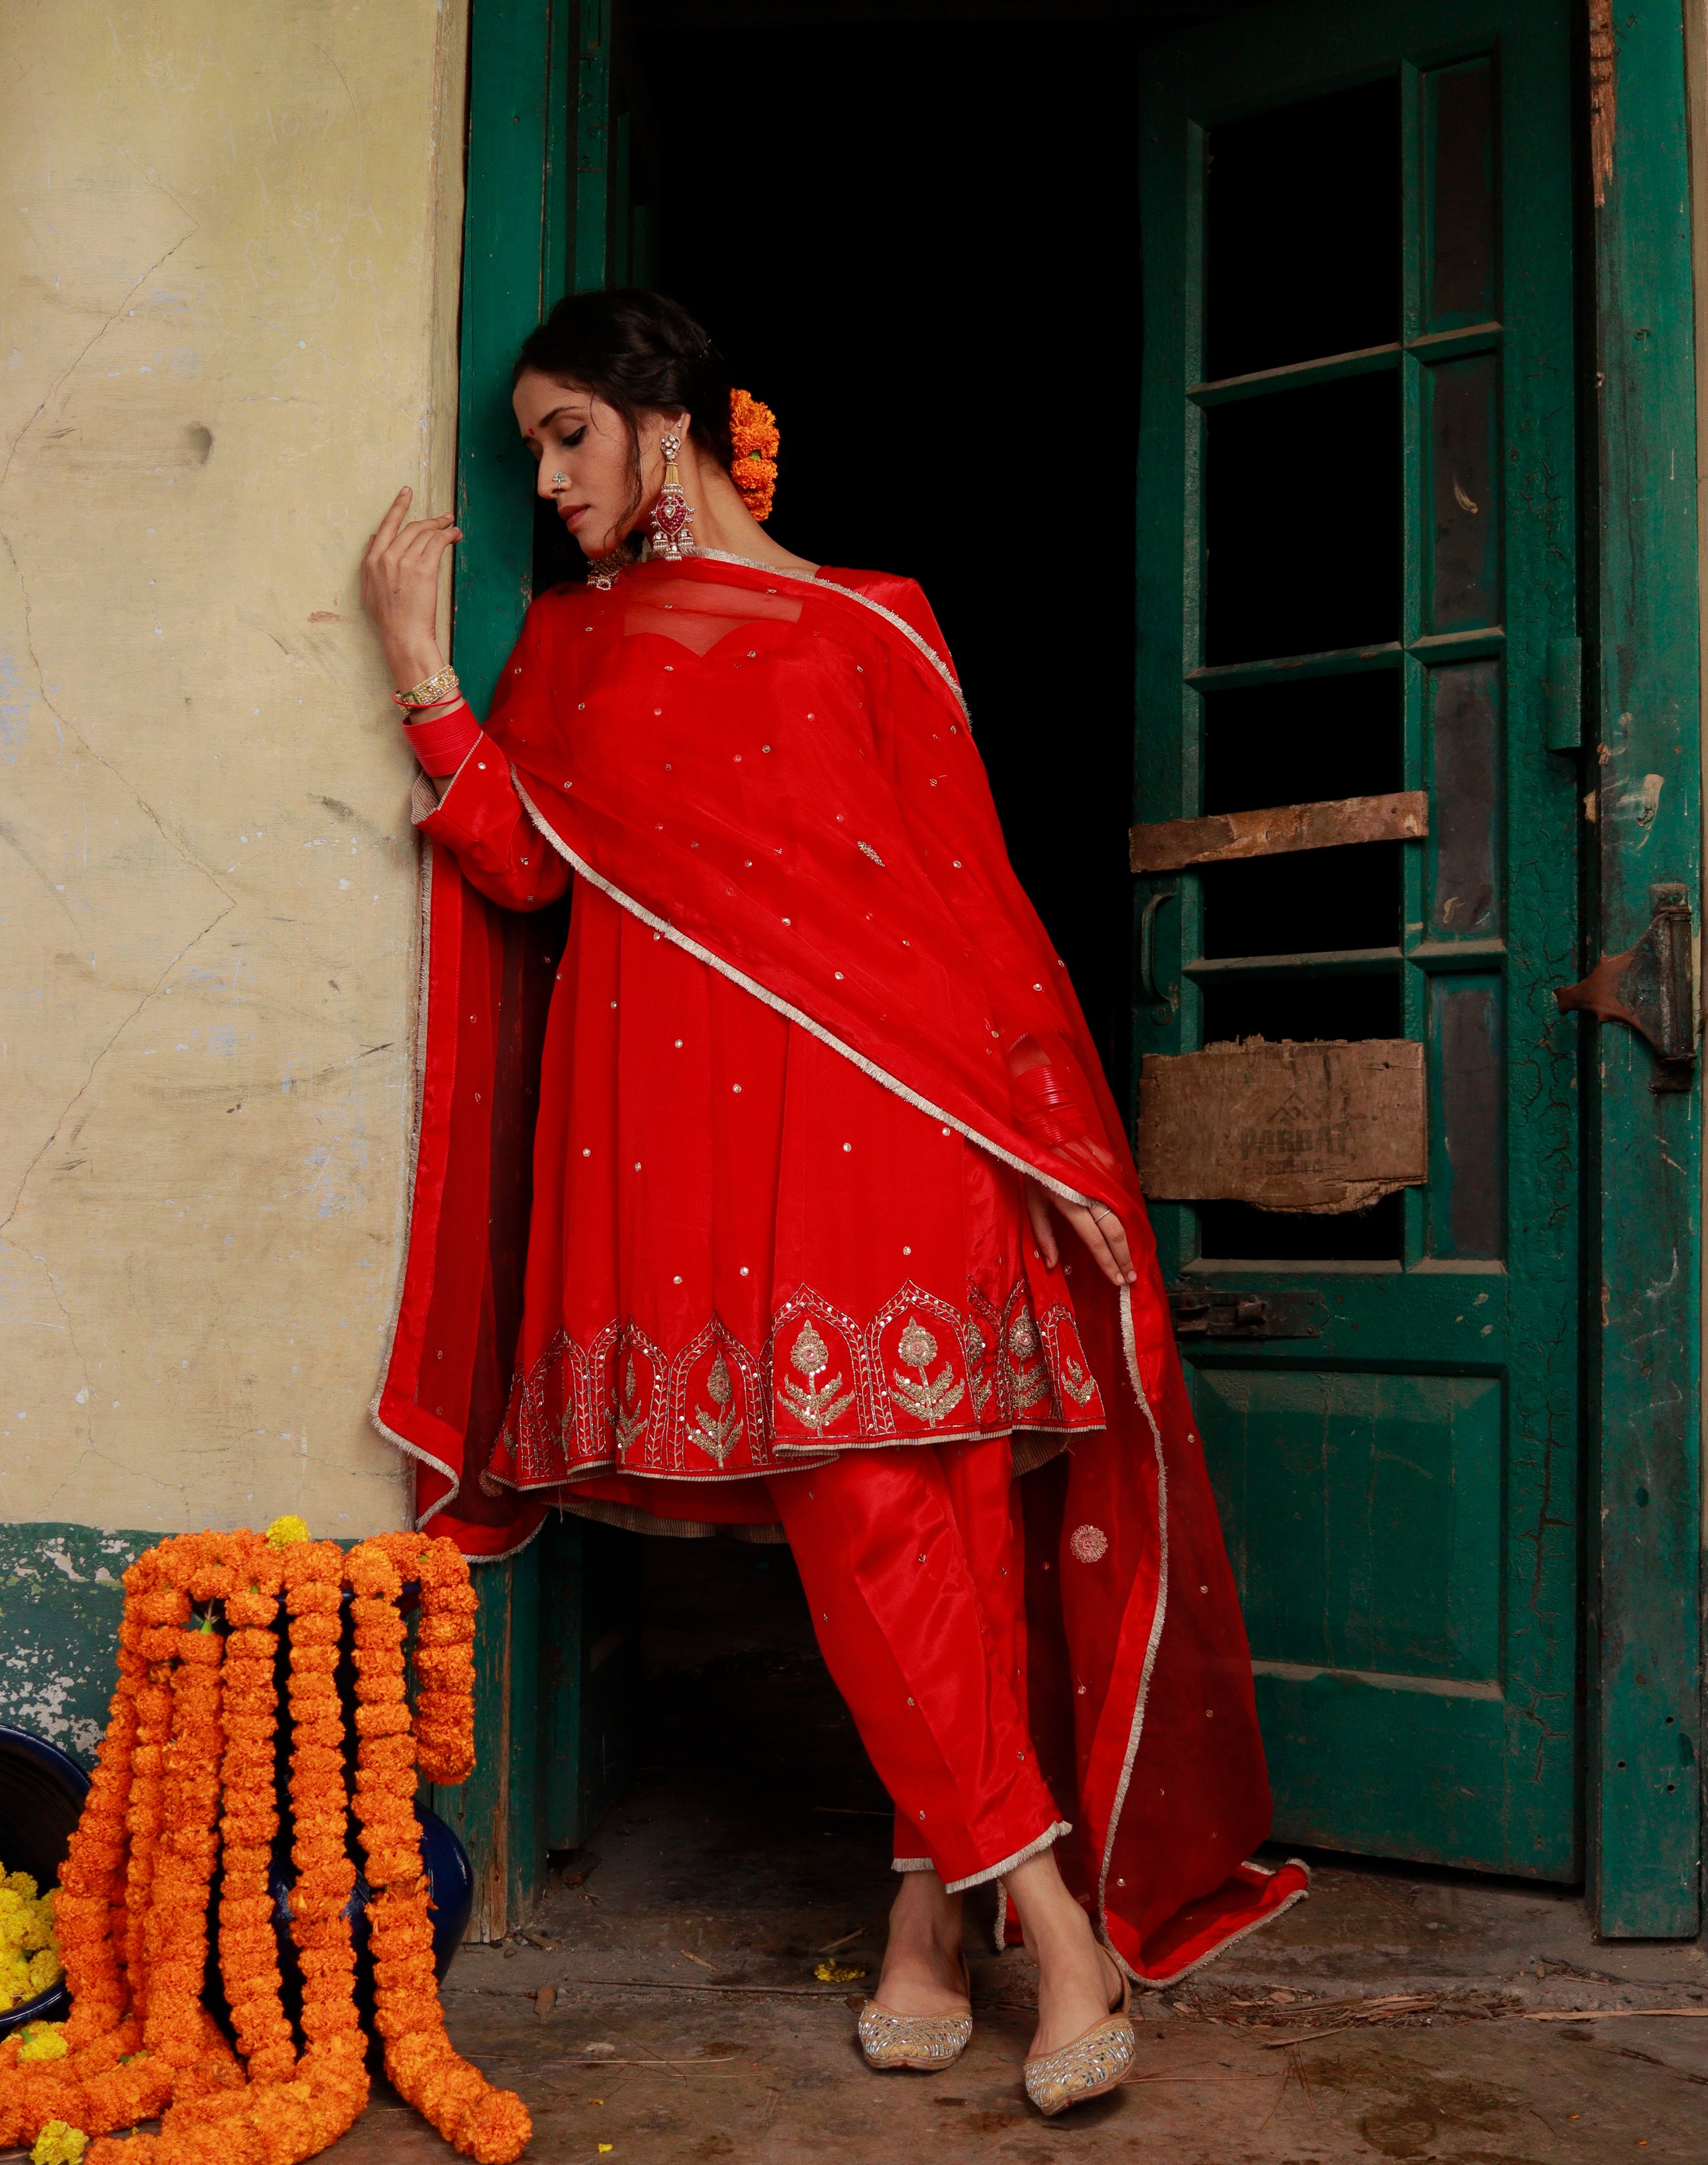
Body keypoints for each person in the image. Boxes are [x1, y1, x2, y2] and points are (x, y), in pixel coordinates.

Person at [361, 289, 1307, 2117]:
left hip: (902, 1116)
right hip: (700, 1141)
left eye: (568, 435)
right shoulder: (574, 648)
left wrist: (1056, 1147)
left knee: (927, 1502)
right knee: (866, 1505)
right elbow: (527, 877)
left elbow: (972, 912)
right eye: (530, 448)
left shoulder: (876, 623)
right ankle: (1029, 1911)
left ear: (673, 424)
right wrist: (426, 677)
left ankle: (943, 1923)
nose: (544, 480)